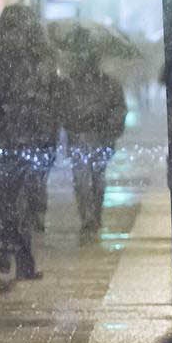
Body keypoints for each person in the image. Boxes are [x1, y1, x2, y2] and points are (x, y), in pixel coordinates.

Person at [0, 5, 63, 280]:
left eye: (20, 29)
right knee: (8, 201)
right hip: (4, 142)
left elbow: (53, 101)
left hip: (31, 141)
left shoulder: (39, 59)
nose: (15, 35)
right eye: (11, 29)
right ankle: (17, 255)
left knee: (23, 203)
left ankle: (11, 250)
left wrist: (48, 136)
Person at [62, 48, 127, 240]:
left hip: (100, 137)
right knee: (83, 180)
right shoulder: (70, 85)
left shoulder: (109, 84)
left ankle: (93, 215)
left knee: (96, 179)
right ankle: (88, 218)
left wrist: (107, 124)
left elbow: (119, 109)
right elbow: (62, 110)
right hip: (80, 137)